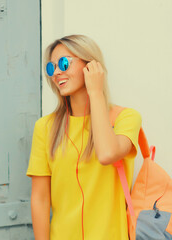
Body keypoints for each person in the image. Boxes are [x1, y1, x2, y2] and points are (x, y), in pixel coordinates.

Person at [26, 34, 141, 240]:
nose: (57, 73)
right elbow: (40, 198)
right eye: (51, 68)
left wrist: (96, 92)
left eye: (63, 63)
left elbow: (107, 154)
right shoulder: (45, 128)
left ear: (91, 66)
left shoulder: (125, 118)